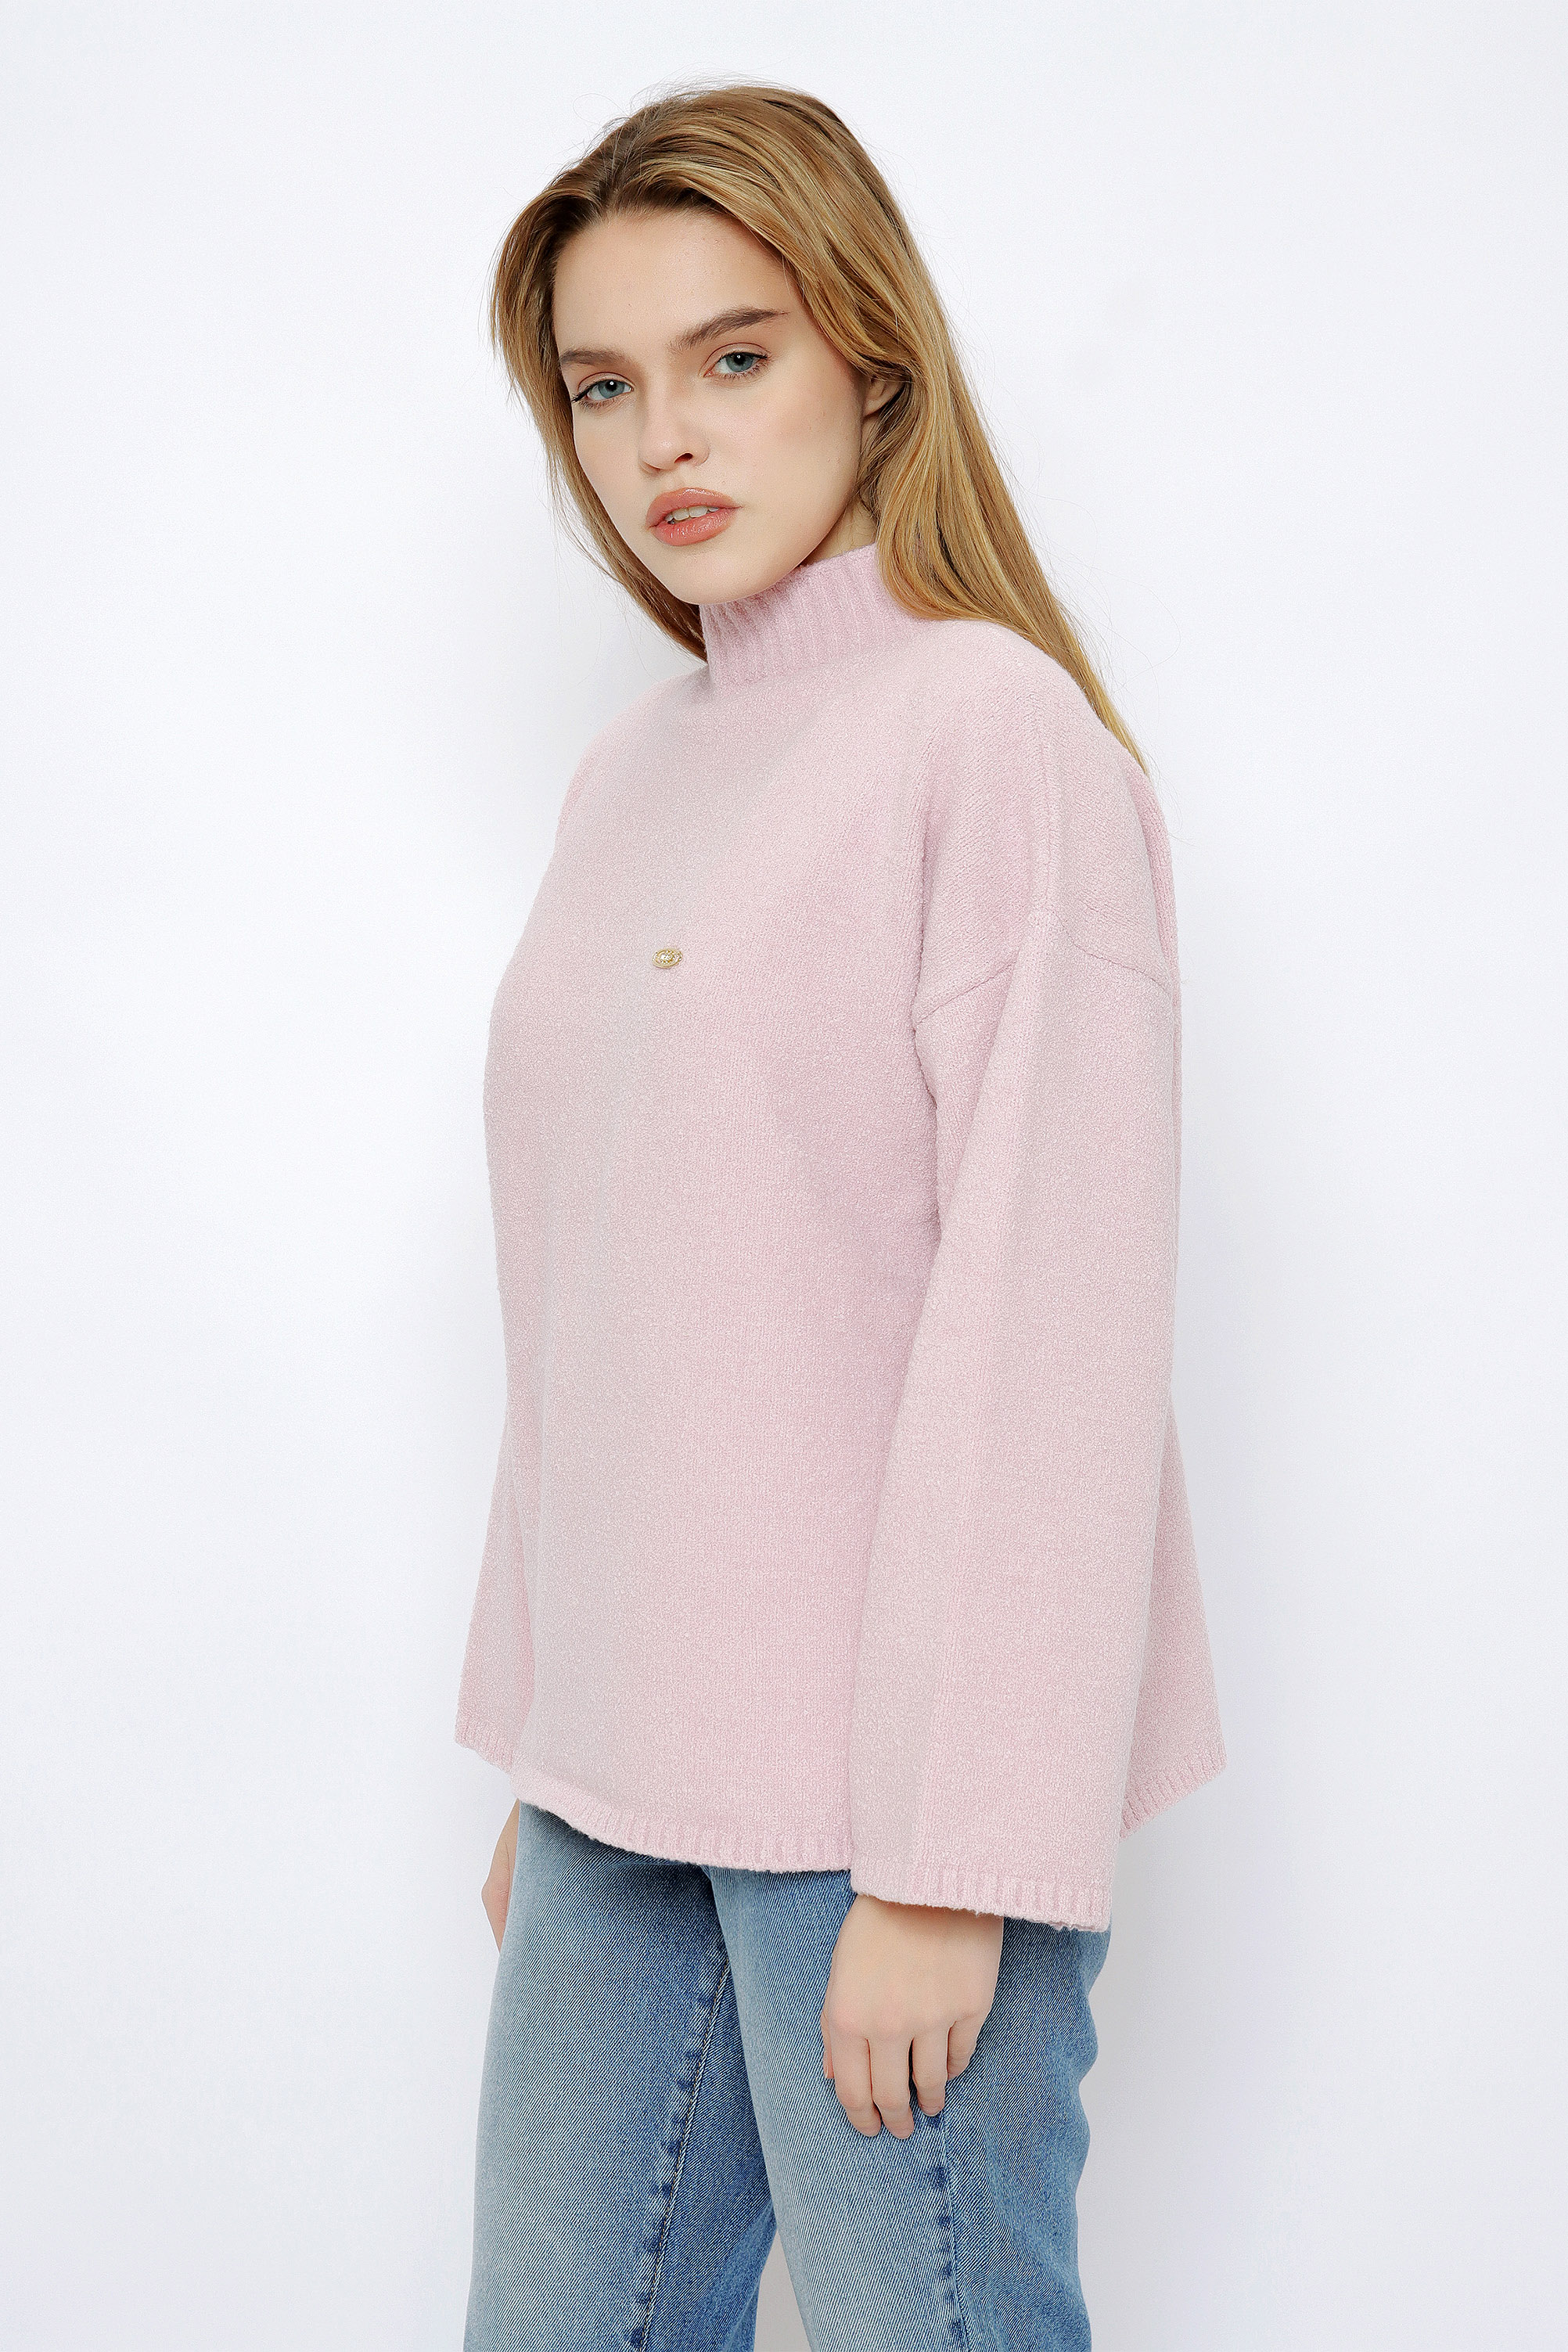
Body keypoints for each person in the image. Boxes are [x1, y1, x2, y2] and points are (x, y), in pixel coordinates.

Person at [455, 79, 1225, 2352]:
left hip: (886, 1813)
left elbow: (1050, 1330)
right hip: (619, 1791)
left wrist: (955, 1863)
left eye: (734, 355)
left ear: (872, 365)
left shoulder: (991, 736)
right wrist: (557, 1739)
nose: (662, 439)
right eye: (603, 386)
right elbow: (589, 1286)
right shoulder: (633, 773)